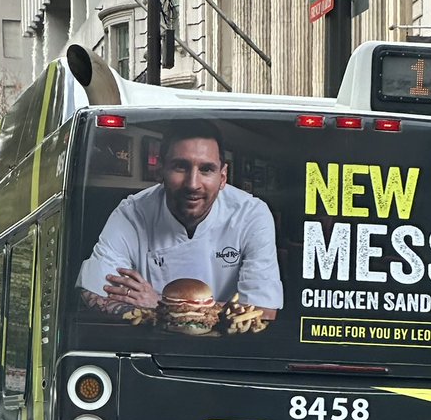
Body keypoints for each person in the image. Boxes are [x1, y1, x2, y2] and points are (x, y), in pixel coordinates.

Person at [77, 120, 283, 319]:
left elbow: (263, 311)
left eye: (206, 169)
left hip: (227, 347)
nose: (193, 184)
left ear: (222, 177)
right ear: (160, 170)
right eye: (180, 166)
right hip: (150, 345)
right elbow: (94, 292)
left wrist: (159, 305)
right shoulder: (132, 214)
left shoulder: (250, 214)